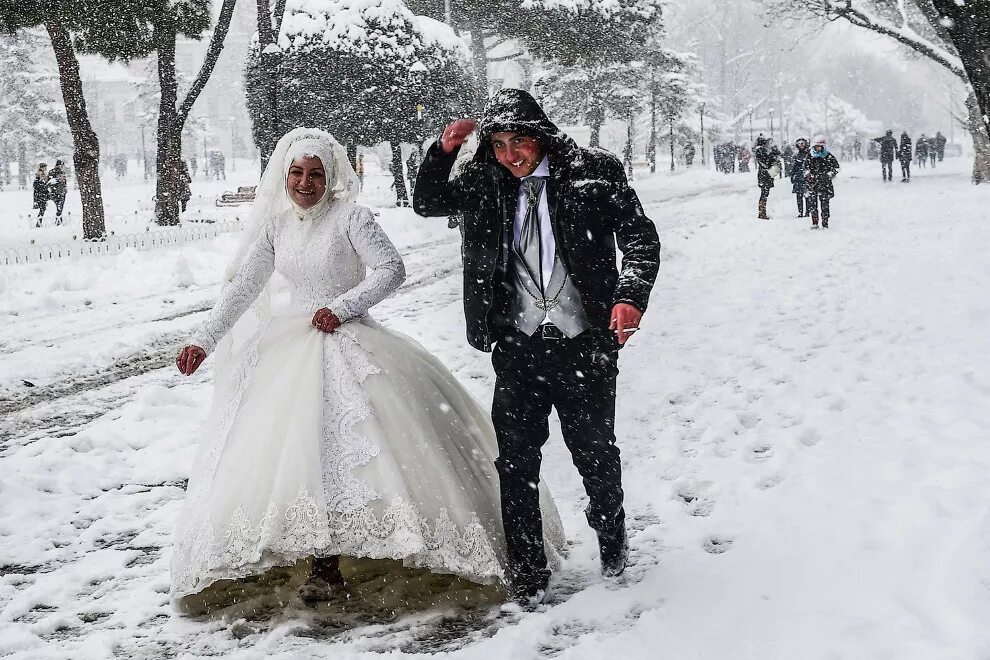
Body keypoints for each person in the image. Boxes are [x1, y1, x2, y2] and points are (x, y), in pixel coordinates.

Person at [170, 127, 565, 610]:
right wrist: (202, 340)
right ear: (284, 177)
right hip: (289, 349)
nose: (305, 182)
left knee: (356, 450)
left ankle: (360, 550)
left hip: (348, 340)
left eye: (315, 174)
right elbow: (242, 289)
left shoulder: (352, 218)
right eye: (296, 173)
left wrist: (342, 307)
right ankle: (318, 558)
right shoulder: (276, 227)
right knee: (298, 451)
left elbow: (391, 268)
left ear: (331, 177)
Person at [413, 89, 661, 604]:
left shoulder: (593, 173)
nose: (510, 156)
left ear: (540, 135)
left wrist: (630, 298)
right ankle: (529, 569)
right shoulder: (485, 180)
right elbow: (428, 202)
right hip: (518, 345)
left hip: (585, 343)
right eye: (499, 144)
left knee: (594, 451)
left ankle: (611, 535)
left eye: (518, 142)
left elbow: (640, 237)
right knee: (516, 462)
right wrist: (443, 152)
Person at [804, 136, 840, 229]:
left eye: (820, 146)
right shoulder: (809, 156)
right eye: (817, 146)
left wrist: (829, 175)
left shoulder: (828, 156)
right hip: (812, 184)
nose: (818, 148)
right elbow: (805, 168)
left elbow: (836, 168)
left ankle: (825, 223)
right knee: (813, 204)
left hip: (825, 184)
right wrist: (808, 174)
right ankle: (815, 222)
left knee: (825, 204)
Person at [754, 135, 782, 219]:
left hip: (765, 174)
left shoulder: (761, 150)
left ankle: (762, 212)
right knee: (764, 194)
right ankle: (762, 213)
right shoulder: (761, 150)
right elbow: (766, 162)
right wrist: (773, 157)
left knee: (765, 193)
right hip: (765, 175)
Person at [789, 138, 811, 218]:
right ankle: (800, 212)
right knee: (799, 196)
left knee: (807, 195)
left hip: (807, 177)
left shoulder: (809, 153)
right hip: (798, 178)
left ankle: (808, 212)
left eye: (802, 143)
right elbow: (794, 167)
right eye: (799, 143)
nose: (801, 145)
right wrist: (792, 176)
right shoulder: (796, 155)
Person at [47, 159, 68, 226]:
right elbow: (50, 182)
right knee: (60, 207)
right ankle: (58, 221)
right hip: (58, 192)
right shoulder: (59, 172)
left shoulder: (53, 172)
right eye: (62, 165)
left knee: (59, 207)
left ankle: (59, 220)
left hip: (58, 192)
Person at [33, 163, 49, 227]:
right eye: (44, 167)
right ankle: (38, 223)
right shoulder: (40, 173)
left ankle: (39, 223)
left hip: (42, 195)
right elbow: (36, 185)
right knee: (42, 209)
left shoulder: (43, 174)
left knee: (43, 209)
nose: (45, 168)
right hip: (40, 195)